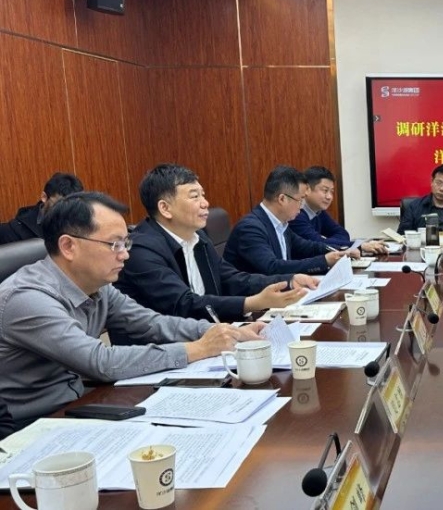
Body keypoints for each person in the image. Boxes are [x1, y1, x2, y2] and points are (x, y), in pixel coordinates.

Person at [0, 192, 265, 426]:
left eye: (125, 243)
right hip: (26, 425)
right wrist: (199, 348)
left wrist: (226, 332)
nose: (125, 254)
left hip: (80, 403)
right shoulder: (27, 298)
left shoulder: (99, 286)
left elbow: (152, 323)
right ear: (69, 246)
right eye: (114, 244)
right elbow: (100, 362)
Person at [116, 164, 317, 322]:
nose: (205, 203)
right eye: (194, 196)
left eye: (203, 195)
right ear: (165, 208)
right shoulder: (141, 250)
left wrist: (288, 281)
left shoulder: (198, 237)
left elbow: (230, 278)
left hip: (210, 333)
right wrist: (252, 303)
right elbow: (183, 304)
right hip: (165, 351)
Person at [225, 166, 356, 275]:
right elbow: (272, 267)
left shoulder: (281, 224)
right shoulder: (250, 228)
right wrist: (324, 261)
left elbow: (307, 247)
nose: (302, 206)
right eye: (300, 200)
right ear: (282, 199)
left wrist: (340, 251)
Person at [289, 166, 386, 254]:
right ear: (307, 190)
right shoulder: (296, 215)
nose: (329, 197)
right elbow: (318, 243)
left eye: (331, 191)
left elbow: (342, 234)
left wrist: (327, 241)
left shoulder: (318, 212)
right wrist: (359, 246)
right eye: (325, 190)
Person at [0, 172, 83, 244]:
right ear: (44, 197)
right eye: (59, 205)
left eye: (73, 206)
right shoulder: (15, 230)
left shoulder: (84, 224)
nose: (66, 211)